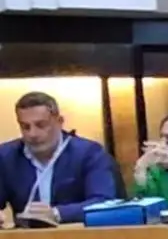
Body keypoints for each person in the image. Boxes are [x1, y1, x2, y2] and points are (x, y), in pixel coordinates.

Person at [0, 91, 118, 227]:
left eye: (41, 125)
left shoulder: (89, 153)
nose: (32, 134)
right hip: (26, 238)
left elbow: (103, 203)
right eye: (25, 127)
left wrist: (57, 213)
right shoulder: (6, 156)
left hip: (78, 236)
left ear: (59, 122)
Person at [133, 111, 168, 204]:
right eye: (161, 137)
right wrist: (141, 169)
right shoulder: (155, 172)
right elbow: (142, 204)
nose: (162, 144)